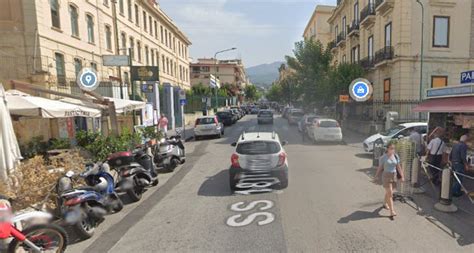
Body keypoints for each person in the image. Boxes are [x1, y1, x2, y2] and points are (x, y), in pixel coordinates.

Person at [374, 143, 405, 218]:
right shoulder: (383, 158)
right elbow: (380, 168)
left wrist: (402, 176)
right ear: (387, 149)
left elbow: (398, 167)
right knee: (390, 193)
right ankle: (392, 211)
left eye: (394, 148)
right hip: (386, 176)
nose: (393, 150)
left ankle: (385, 203)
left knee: (389, 192)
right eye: (391, 148)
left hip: (393, 176)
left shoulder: (395, 156)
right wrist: (376, 176)